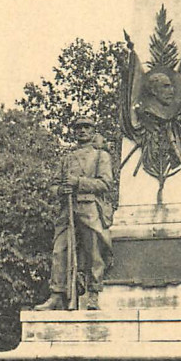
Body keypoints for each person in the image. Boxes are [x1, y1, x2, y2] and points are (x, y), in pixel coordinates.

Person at [35, 115, 113, 311]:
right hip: (67, 209)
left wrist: (78, 183)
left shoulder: (100, 156)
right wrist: (61, 190)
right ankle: (57, 294)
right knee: (59, 250)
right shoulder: (66, 159)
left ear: (93, 131)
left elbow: (105, 184)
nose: (82, 131)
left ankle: (93, 293)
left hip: (89, 208)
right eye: (78, 128)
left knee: (93, 250)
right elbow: (53, 186)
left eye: (86, 127)